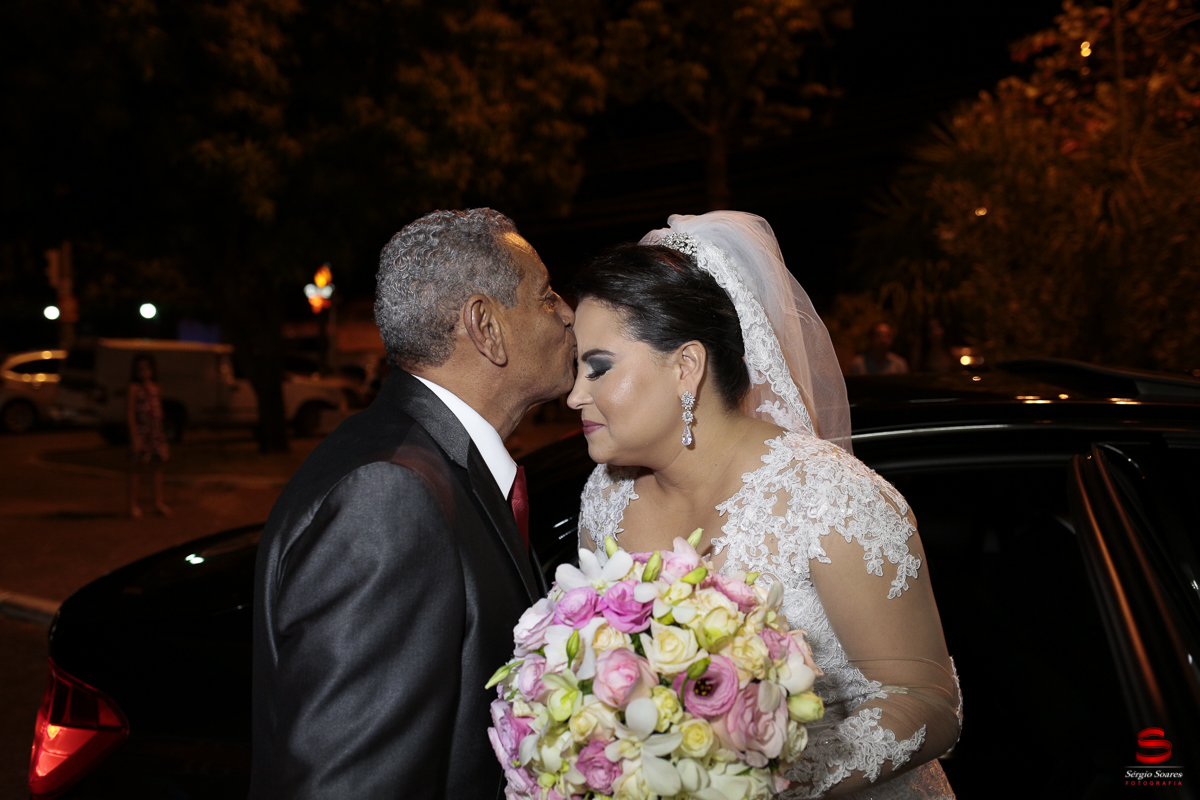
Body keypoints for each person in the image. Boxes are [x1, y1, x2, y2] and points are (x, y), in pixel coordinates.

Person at [567, 212, 961, 798]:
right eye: (576, 369)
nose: (576, 395)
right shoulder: (606, 497)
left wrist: (761, 780)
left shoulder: (831, 499)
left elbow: (927, 701)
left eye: (598, 368)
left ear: (686, 366)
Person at [250, 209, 576, 798]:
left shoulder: (425, 463)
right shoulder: (389, 495)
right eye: (547, 295)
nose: (568, 313)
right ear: (486, 326)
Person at [126, 352, 170, 518]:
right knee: (136, 469)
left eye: (147, 368)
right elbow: (130, 414)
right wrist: (135, 438)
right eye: (140, 369)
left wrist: (162, 434)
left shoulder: (156, 387)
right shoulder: (134, 388)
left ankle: (158, 502)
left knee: (157, 468)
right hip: (142, 433)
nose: (143, 372)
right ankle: (133, 505)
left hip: (155, 434)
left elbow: (159, 410)